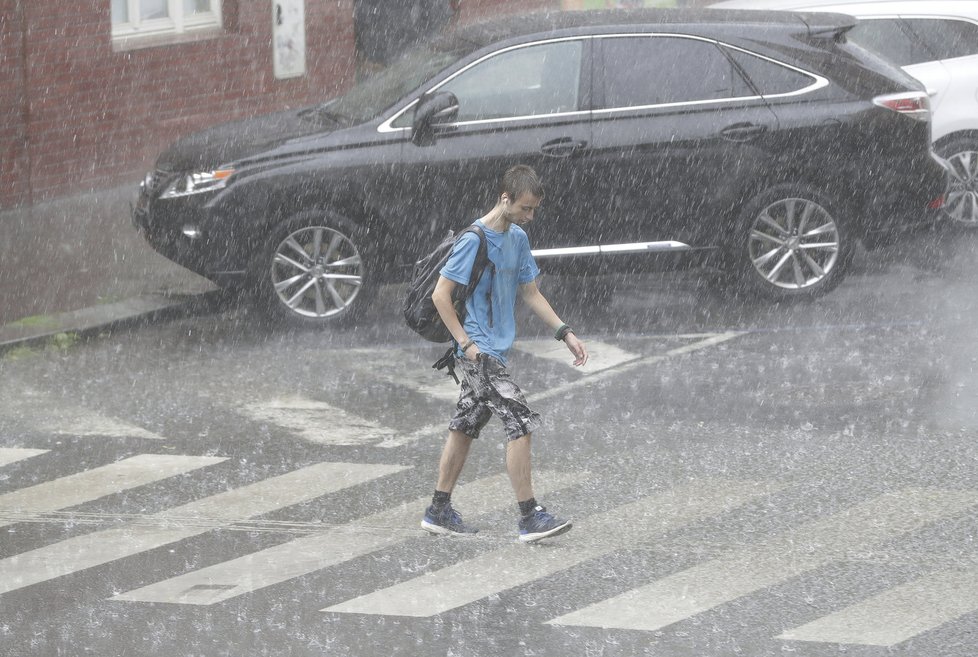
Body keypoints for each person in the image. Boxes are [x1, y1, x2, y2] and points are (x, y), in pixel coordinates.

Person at [421, 164, 588, 543]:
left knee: (465, 425)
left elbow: (531, 293)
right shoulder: (473, 240)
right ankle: (530, 517)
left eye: (534, 210)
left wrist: (565, 333)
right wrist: (467, 344)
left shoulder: (518, 239)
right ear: (505, 198)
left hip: (494, 348)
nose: (529, 217)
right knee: (520, 421)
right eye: (525, 208)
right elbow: (440, 295)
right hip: (478, 352)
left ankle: (438, 510)